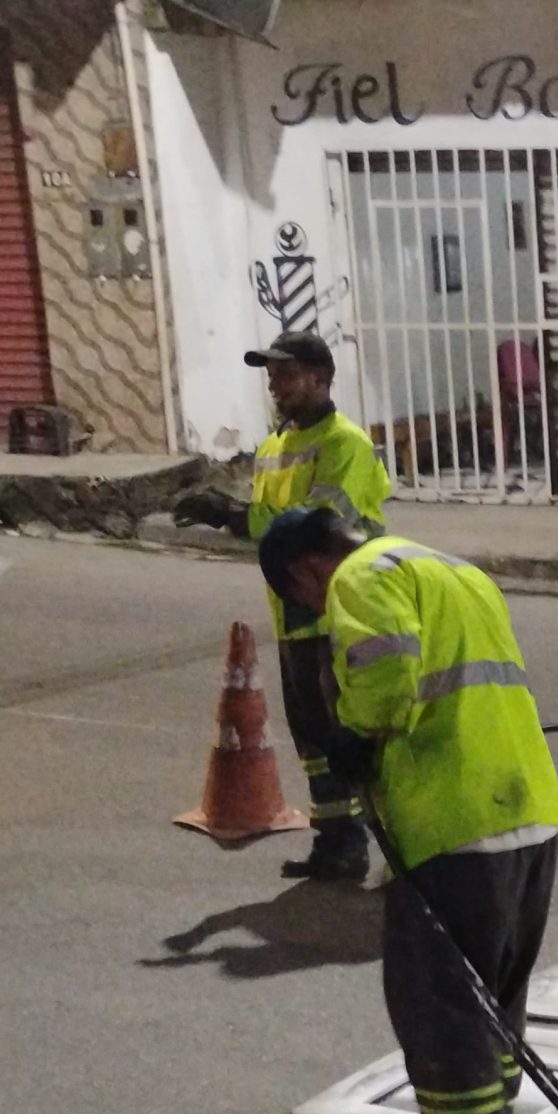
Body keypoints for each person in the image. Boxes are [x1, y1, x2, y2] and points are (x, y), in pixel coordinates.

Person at [258, 506, 558, 1114]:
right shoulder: (454, 570)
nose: (318, 613)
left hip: (451, 820)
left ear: (306, 570)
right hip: (526, 809)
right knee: (495, 995)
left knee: (439, 1005)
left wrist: (352, 733)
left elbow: (387, 675)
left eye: (305, 601)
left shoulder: (360, 578)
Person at [173, 333, 391, 883]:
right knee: (312, 736)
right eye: (272, 377)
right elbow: (271, 526)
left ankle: (395, 848)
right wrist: (234, 515)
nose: (276, 386)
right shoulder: (274, 446)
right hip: (294, 606)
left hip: (341, 605)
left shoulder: (345, 444)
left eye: (287, 375)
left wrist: (230, 514)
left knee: (354, 733)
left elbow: (317, 526)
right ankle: (337, 842)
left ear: (322, 378)